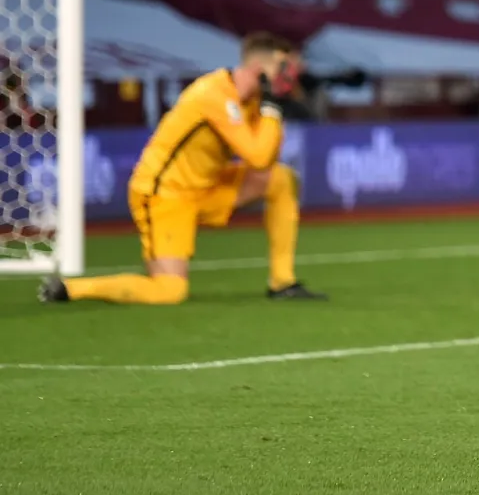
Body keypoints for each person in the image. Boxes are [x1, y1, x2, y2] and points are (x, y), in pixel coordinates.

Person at [39, 33, 326, 305]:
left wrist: (272, 108)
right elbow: (258, 157)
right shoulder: (214, 94)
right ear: (258, 69)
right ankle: (72, 289)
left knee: (281, 179)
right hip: (165, 194)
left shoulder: (255, 102)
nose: (288, 77)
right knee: (169, 290)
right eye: (283, 68)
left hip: (206, 188)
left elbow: (267, 156)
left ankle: (282, 282)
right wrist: (273, 108)